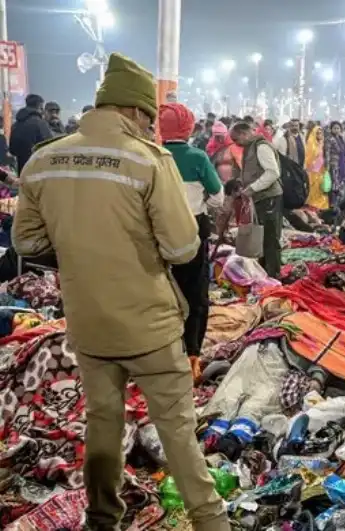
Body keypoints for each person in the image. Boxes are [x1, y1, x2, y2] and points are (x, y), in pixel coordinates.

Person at [12, 53, 229, 531]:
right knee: (177, 433)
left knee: (102, 423)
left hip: (89, 323)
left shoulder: (44, 159)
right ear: (134, 112)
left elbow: (26, 242)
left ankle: (101, 517)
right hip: (148, 324)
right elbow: (181, 246)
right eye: (148, 119)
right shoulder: (148, 160)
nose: (150, 128)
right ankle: (211, 522)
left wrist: (77, 246)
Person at [159, 102, 223, 382]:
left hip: (156, 231)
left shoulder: (152, 156)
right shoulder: (198, 157)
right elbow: (218, 197)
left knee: (160, 292)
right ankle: (191, 355)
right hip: (192, 230)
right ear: (188, 127)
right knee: (195, 295)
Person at [228, 122, 283, 278]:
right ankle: (265, 273)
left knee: (271, 238)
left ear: (244, 134)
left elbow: (273, 173)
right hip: (260, 198)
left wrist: (252, 188)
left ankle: (274, 275)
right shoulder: (249, 148)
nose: (235, 143)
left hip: (269, 197)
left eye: (236, 138)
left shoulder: (261, 147)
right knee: (263, 237)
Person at [9, 94, 53, 172]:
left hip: (22, 170)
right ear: (39, 106)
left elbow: (12, 150)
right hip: (38, 170)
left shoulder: (16, 124)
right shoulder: (40, 123)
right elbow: (51, 145)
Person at [304, 125, 329, 210]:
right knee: (313, 189)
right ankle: (313, 205)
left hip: (322, 170)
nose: (319, 135)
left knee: (322, 187)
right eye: (317, 133)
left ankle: (321, 205)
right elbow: (308, 158)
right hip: (313, 171)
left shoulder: (324, 143)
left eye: (320, 133)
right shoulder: (311, 144)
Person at [325, 121, 345, 204]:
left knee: (340, 183)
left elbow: (344, 151)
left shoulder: (341, 138)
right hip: (333, 165)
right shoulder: (329, 139)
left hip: (342, 163)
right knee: (334, 184)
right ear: (331, 129)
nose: (336, 130)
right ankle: (332, 203)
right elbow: (327, 152)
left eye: (338, 128)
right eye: (334, 128)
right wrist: (327, 166)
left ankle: (338, 203)